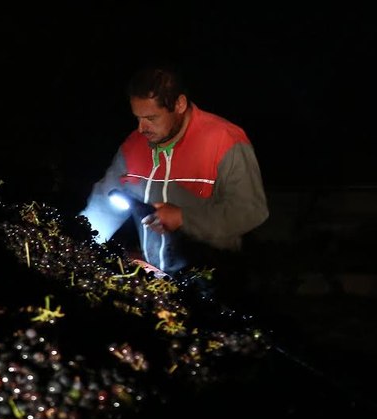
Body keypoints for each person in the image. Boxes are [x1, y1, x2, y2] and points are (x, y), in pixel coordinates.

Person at [79, 64, 269, 301]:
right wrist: (78, 247)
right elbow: (103, 205)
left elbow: (251, 211)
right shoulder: (134, 145)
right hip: (159, 285)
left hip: (216, 288)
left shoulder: (225, 140)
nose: (141, 128)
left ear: (179, 104)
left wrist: (183, 218)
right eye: (137, 118)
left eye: (151, 118)